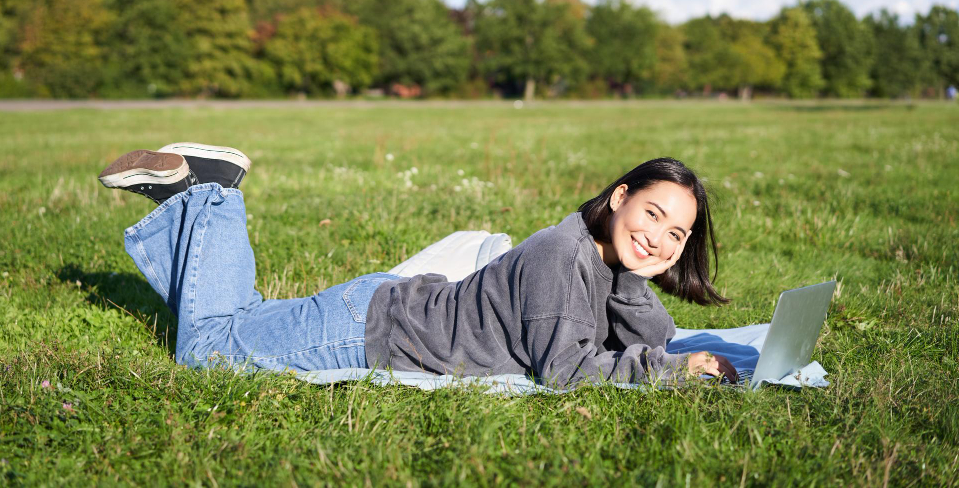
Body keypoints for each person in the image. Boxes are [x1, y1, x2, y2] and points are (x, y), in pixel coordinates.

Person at [99, 144, 737, 387]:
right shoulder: (559, 256)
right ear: (619, 197)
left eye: (676, 233)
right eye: (651, 214)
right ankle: (209, 194)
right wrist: (669, 375)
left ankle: (194, 195)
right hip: (374, 331)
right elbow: (567, 372)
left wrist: (636, 272)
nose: (659, 238)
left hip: (388, 308)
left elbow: (655, 338)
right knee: (207, 348)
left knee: (243, 322)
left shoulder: (602, 261)